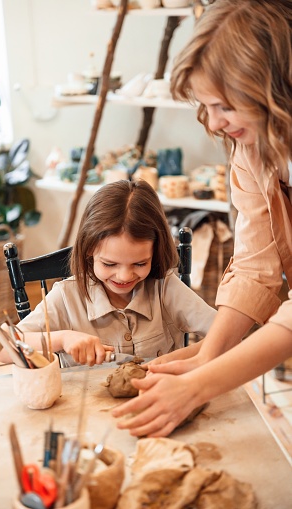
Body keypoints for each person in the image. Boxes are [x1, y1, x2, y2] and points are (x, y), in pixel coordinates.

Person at [112, 0, 292, 438]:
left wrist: (199, 385)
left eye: (223, 105)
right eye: (204, 105)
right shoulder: (253, 147)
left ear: (271, 89)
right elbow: (256, 264)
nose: (212, 121)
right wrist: (207, 355)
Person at [0, 179, 216, 366]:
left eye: (140, 264)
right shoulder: (66, 298)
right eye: (110, 264)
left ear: (155, 253)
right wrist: (63, 339)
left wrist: (175, 361)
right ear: (89, 250)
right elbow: (2, 348)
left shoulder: (166, 289)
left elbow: (227, 334)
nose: (124, 276)